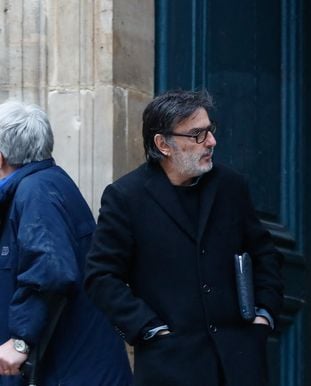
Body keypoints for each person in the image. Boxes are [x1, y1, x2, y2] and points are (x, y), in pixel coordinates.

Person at [84, 89, 284, 386]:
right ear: (163, 144)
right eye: (197, 135)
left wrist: (263, 314)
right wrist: (148, 328)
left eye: (210, 130)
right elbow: (101, 275)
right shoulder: (127, 197)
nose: (212, 142)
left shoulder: (230, 187)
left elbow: (265, 254)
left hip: (239, 363)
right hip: (170, 367)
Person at [0, 101, 132, 385]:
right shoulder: (42, 185)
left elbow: (51, 269)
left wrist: (21, 340)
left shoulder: (37, 192)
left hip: (72, 372)